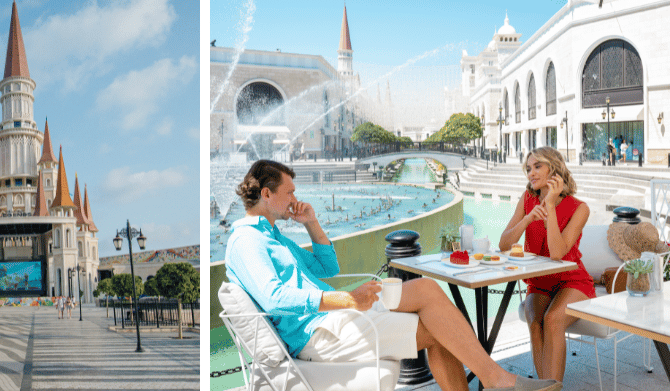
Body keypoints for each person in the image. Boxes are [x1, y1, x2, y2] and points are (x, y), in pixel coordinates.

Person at [226, 160, 561, 391]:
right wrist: (348, 299)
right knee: (438, 330)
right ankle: (497, 379)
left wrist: (312, 223)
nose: (295, 199)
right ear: (267, 194)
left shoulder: (274, 236)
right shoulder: (247, 240)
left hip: (332, 320)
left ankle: (494, 378)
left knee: (426, 288)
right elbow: (274, 298)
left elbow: (328, 268)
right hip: (317, 334)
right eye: (289, 192)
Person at [498, 147, 593, 382]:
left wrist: (550, 206)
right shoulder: (527, 198)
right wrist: (528, 218)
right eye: (528, 168)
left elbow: (557, 253)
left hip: (572, 282)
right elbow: (504, 244)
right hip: (540, 282)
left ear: (554, 168)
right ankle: (545, 386)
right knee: (535, 322)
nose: (531, 173)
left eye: (537, 166)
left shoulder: (580, 208)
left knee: (552, 319)